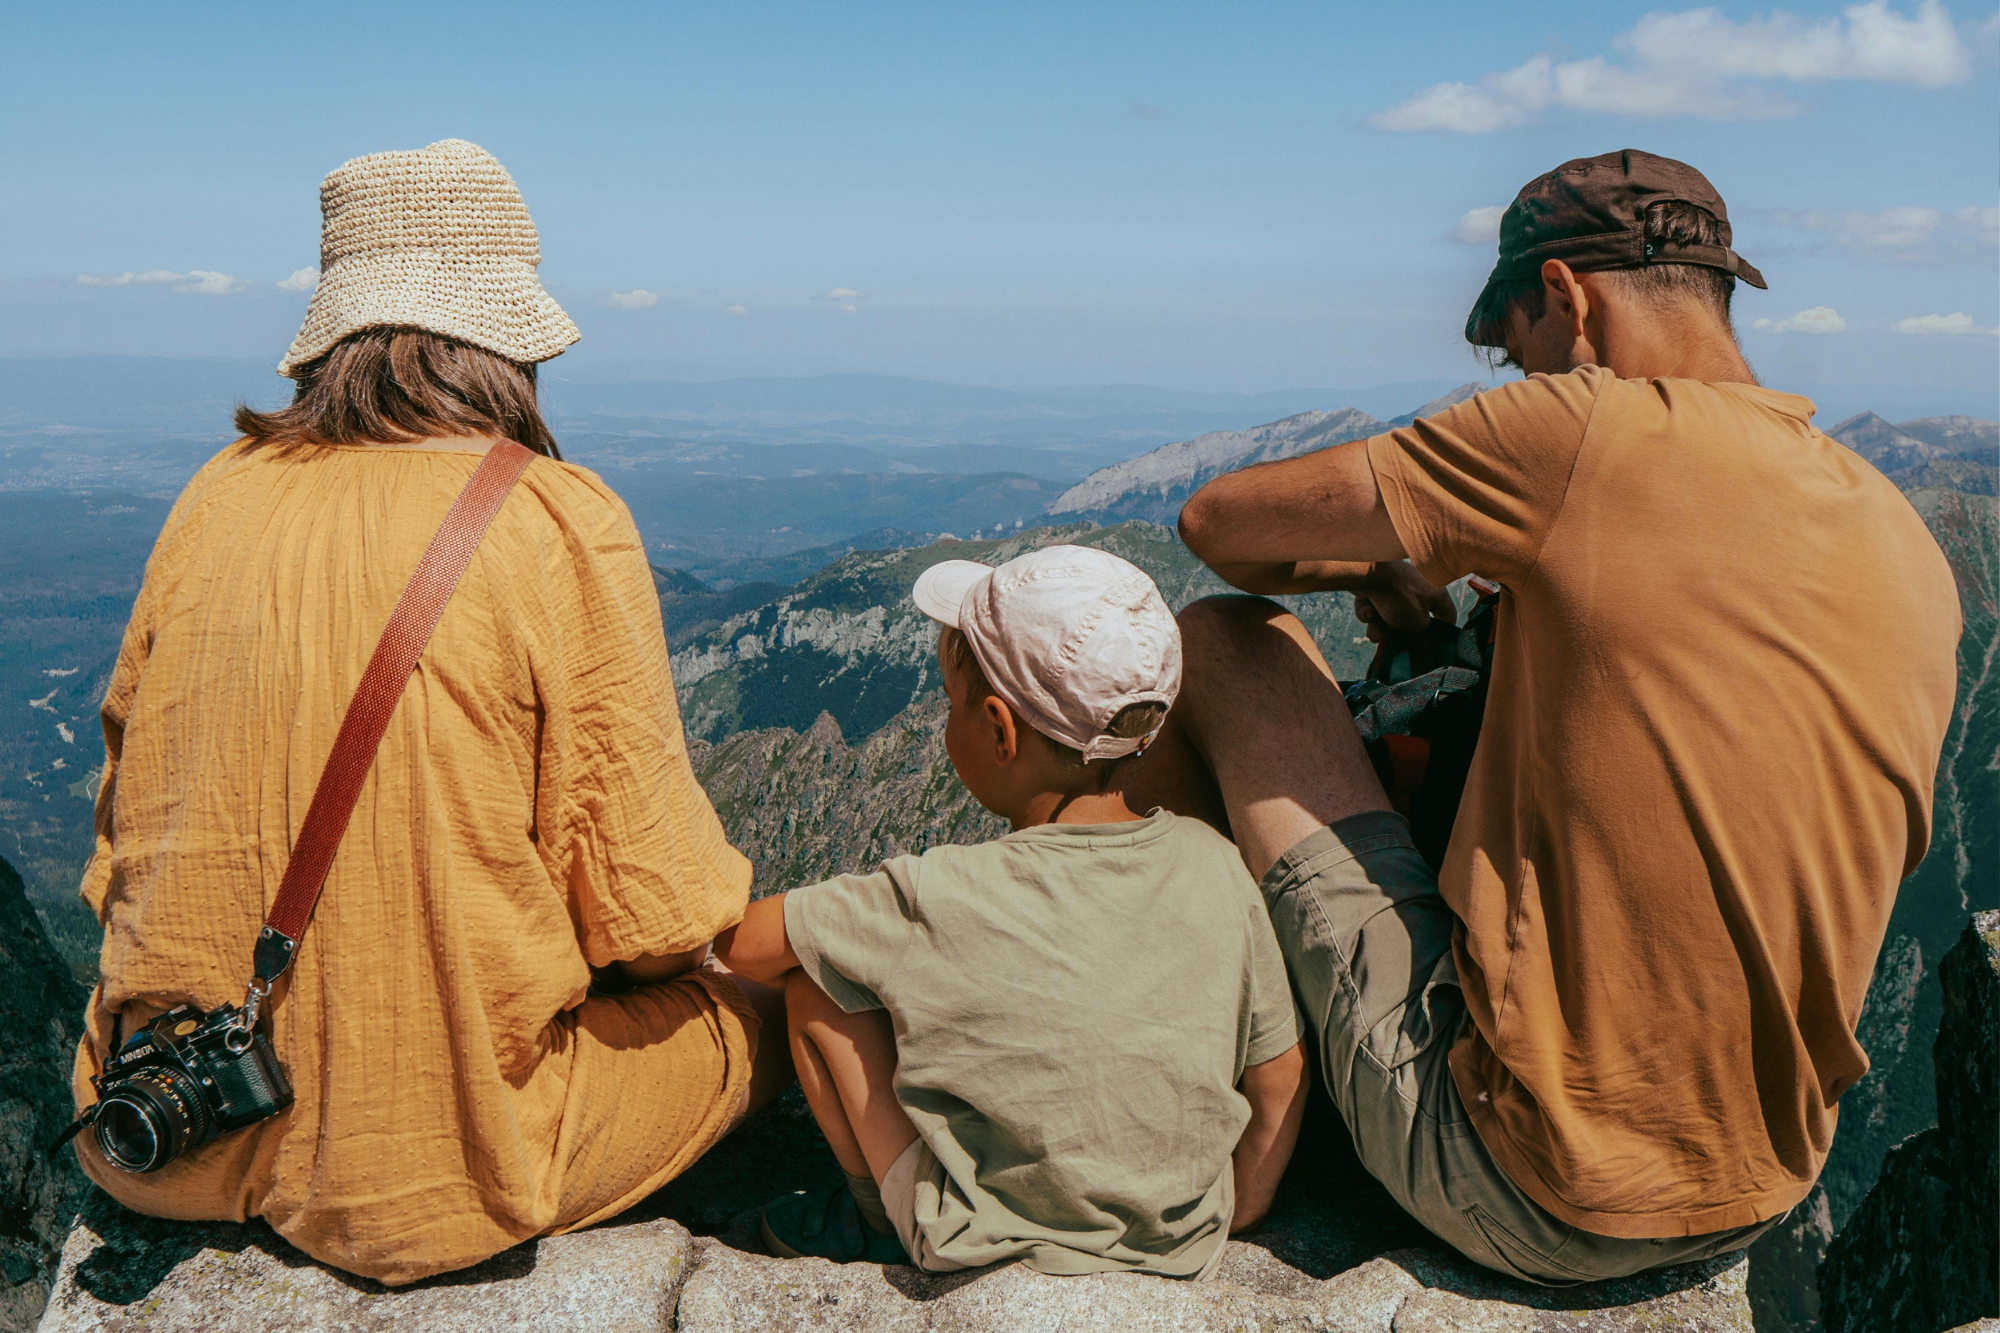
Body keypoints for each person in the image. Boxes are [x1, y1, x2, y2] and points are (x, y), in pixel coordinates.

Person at [1129, 149, 1961, 1284]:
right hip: (1762, 1185)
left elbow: (1218, 523)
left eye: (1516, 351)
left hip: (1526, 1180)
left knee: (1225, 645)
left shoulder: (1579, 429)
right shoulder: (1892, 528)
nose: (1519, 380)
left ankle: (1175, 1100)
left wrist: (1354, 570)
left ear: (1566, 298)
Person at [70, 139, 790, 1285]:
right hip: (428, 1172)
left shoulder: (214, 491)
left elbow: (117, 840)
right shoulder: (557, 519)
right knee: (760, 1015)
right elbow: (654, 913)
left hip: (172, 1123)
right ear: (506, 335)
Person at [717, 545, 1309, 1275]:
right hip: (1181, 1231)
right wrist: (1235, 1209)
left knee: (815, 984)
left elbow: (742, 943)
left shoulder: (941, 892)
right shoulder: (1214, 861)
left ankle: (880, 1223)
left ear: (999, 729)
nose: (943, 717)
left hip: (979, 1231)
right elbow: (1280, 1071)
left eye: (949, 700)